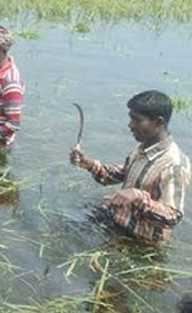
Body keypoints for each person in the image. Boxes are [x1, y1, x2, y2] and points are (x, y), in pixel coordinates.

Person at [70, 90, 190, 243]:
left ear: (159, 122)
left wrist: (138, 197)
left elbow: (172, 217)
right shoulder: (143, 148)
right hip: (118, 222)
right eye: (131, 118)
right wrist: (88, 163)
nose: (130, 125)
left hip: (139, 241)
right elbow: (122, 174)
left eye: (137, 120)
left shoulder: (174, 164)